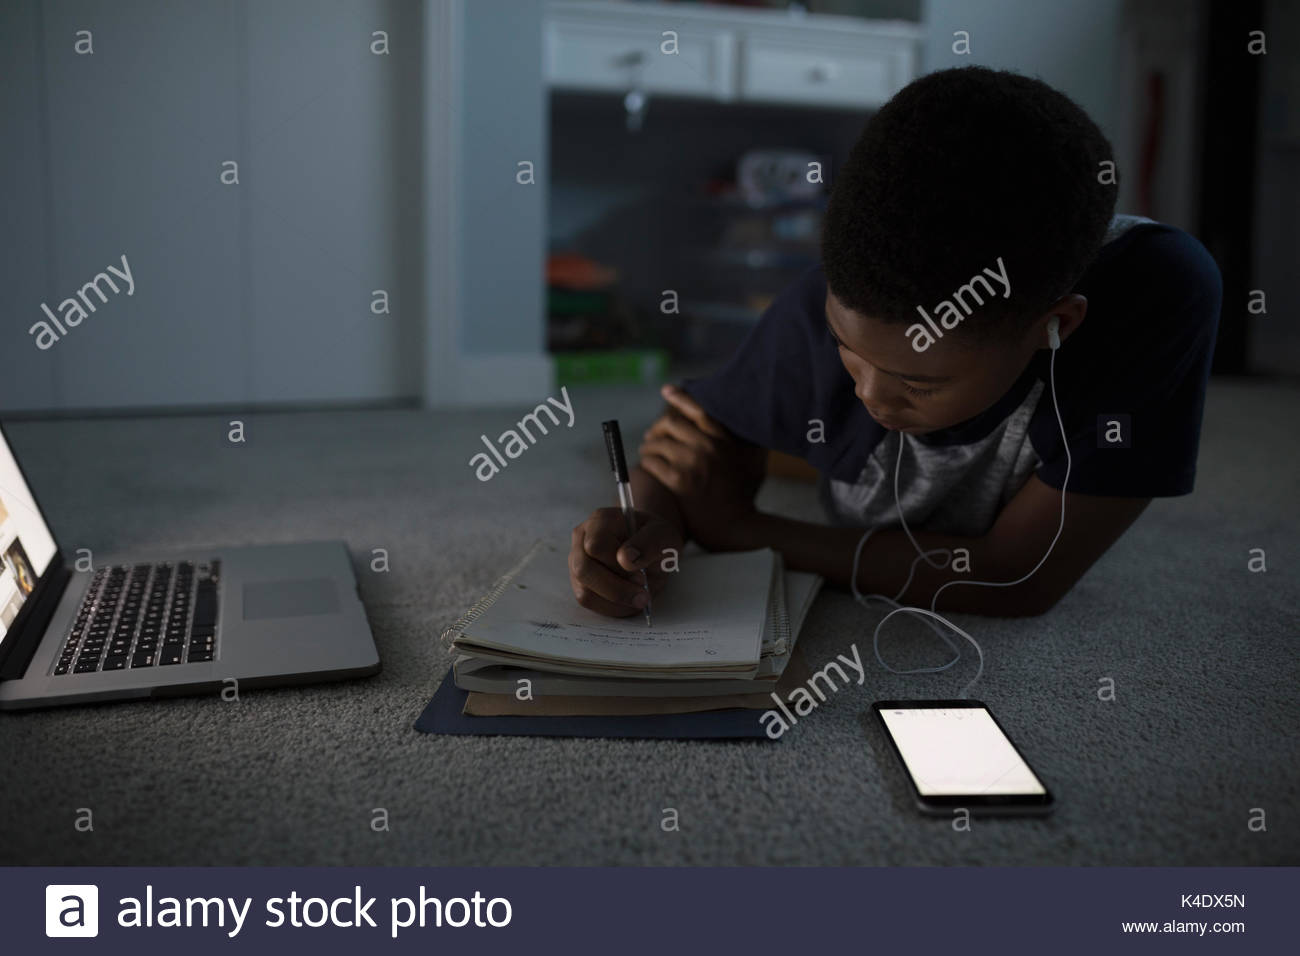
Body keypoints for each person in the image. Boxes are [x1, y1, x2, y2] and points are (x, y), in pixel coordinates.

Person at [569, 66, 1222, 618]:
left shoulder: (1158, 293)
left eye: (920, 382)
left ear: (1058, 323)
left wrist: (747, 533)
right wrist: (647, 526)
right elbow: (686, 451)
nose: (875, 396)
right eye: (847, 352)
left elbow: (1021, 575)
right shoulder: (846, 291)